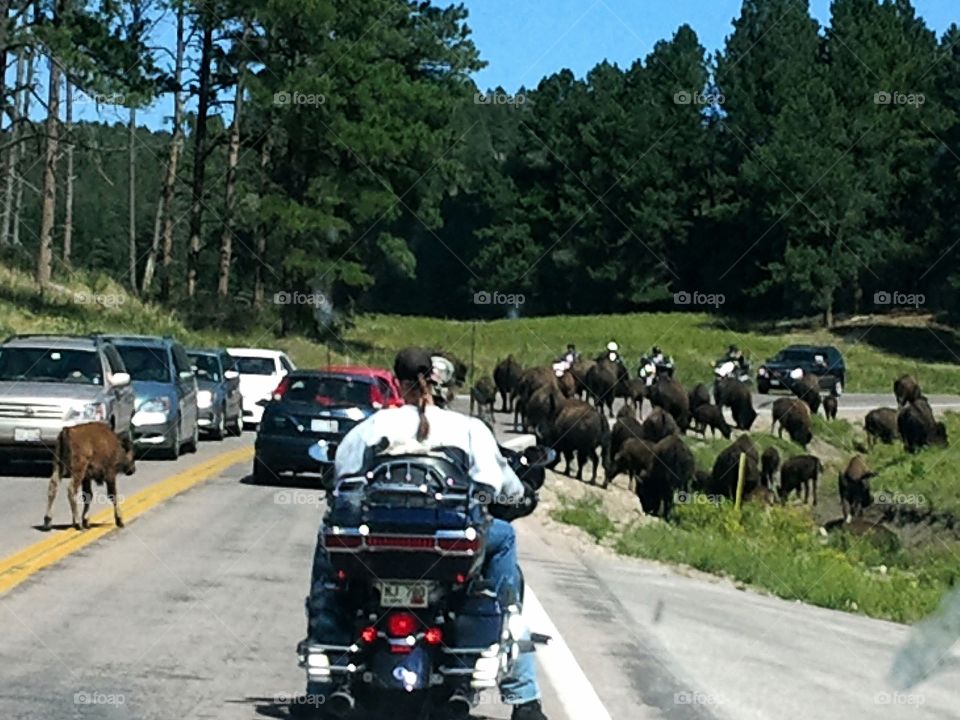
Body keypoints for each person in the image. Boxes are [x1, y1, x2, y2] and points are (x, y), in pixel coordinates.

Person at [304, 347, 548, 720]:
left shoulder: (371, 427)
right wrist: (520, 495)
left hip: (376, 550)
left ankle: (319, 688)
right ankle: (523, 696)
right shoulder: (468, 429)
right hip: (448, 550)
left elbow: (341, 480)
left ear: (396, 382)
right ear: (438, 383)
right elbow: (502, 487)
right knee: (505, 542)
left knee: (328, 550)